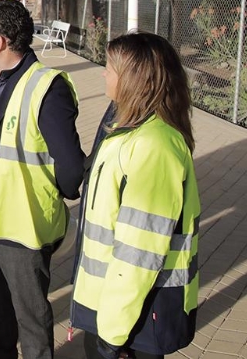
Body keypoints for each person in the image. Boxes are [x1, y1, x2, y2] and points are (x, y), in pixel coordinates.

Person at [0, 0, 84, 359]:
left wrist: (48, 194)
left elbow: (71, 169)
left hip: (22, 226)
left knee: (31, 317)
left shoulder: (47, 87)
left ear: (0, 42)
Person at [71, 32, 199, 359]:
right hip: (115, 309)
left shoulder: (154, 146)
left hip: (133, 320)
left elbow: (138, 253)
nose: (103, 73)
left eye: (110, 68)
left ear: (134, 80)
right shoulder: (130, 132)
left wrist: (112, 336)